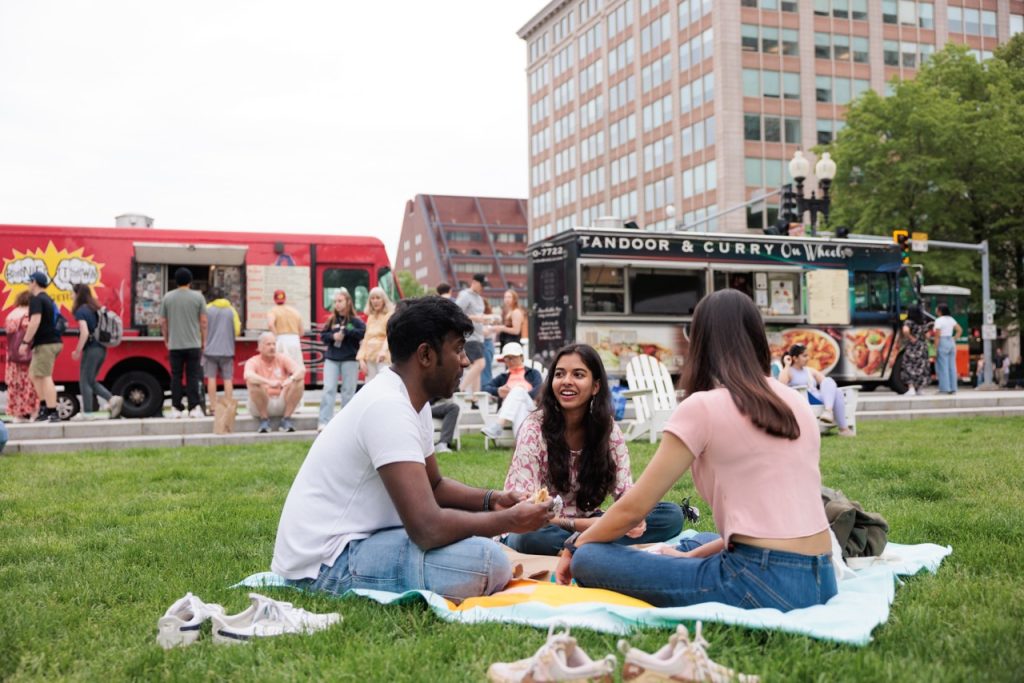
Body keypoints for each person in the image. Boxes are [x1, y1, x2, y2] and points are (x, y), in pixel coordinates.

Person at [558, 289, 838, 612]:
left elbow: (633, 509)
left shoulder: (703, 406)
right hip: (822, 578)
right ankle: (686, 556)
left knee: (590, 557)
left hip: (758, 582)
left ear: (700, 342)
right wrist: (690, 557)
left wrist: (573, 546)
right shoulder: (793, 401)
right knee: (701, 540)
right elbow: (774, 522)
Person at [271, 296, 554, 601]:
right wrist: (511, 521)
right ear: (425, 355)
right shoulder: (388, 406)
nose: (465, 361)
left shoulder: (410, 401)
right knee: (487, 562)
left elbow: (435, 486)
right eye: (458, 349)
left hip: (356, 545)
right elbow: (427, 529)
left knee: (481, 552)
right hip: (325, 565)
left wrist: (493, 500)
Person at [502, 343, 684, 556]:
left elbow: (625, 492)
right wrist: (592, 525)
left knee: (670, 515)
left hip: (590, 521)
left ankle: (582, 544)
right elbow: (527, 510)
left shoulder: (608, 429)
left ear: (595, 386)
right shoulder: (534, 428)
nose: (566, 381)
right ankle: (597, 542)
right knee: (529, 537)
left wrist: (636, 517)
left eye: (578, 374)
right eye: (559, 374)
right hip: (540, 525)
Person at [159, 267, 207, 419]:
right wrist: (203, 340)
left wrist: (166, 339)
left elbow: (163, 321)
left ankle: (176, 408)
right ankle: (193, 407)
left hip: (175, 344)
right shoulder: (198, 297)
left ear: (176, 281)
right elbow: (203, 321)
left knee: (176, 376)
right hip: (194, 344)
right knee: (193, 376)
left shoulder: (167, 297)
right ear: (190, 281)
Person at [70, 284, 123, 420]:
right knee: (91, 381)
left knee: (84, 382)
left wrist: (77, 350)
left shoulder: (81, 311)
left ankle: (88, 413)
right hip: (101, 349)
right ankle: (112, 399)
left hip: (91, 349)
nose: (71, 296)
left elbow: (85, 332)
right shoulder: (94, 308)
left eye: (72, 293)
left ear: (78, 294)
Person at [778, 344, 854, 437]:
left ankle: (833, 417)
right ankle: (839, 423)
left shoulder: (809, 371)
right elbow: (781, 385)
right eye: (804, 356)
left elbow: (828, 384)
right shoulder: (788, 371)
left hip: (818, 398)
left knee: (832, 385)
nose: (808, 358)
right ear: (795, 358)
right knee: (835, 390)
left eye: (807, 355)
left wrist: (829, 388)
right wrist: (787, 365)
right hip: (805, 399)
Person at [318, 288, 366, 431]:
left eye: (340, 301)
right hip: (332, 359)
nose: (337, 304)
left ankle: (346, 423)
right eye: (335, 302)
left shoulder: (355, 321)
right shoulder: (331, 320)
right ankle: (324, 421)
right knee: (329, 389)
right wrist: (333, 336)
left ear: (348, 302)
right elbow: (323, 336)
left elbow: (363, 333)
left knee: (348, 391)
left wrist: (347, 331)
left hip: (350, 359)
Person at [19, 272, 64, 422]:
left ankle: (52, 411)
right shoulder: (48, 299)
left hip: (46, 343)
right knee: (34, 375)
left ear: (34, 282)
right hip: (52, 341)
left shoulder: (37, 299)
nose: (28, 285)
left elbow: (35, 321)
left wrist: (25, 342)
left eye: (29, 281)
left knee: (45, 376)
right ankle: (45, 407)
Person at [480, 342, 543, 440]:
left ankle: (498, 425)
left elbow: (539, 388)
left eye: (513, 357)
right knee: (520, 406)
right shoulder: (503, 377)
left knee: (518, 390)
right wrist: (498, 391)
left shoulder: (533, 373)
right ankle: (521, 441)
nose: (510, 361)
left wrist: (521, 394)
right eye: (507, 358)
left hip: (530, 406)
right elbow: (484, 387)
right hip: (510, 409)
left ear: (521, 357)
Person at [244, 332, 305, 433]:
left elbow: (301, 371)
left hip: (282, 400)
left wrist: (291, 379)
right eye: (268, 344)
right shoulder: (253, 361)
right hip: (261, 404)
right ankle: (264, 420)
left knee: (299, 381)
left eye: (274, 344)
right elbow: (248, 375)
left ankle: (286, 419)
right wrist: (269, 382)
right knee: (253, 383)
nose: (272, 347)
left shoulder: (282, 358)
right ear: (260, 347)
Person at [4, 290, 39, 422]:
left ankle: (18, 414)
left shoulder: (11, 314)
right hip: (26, 354)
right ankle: (33, 412)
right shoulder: (28, 314)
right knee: (31, 384)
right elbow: (30, 330)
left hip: (12, 355)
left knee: (15, 385)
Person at [204, 287, 240, 413]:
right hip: (227, 350)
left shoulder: (207, 309)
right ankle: (229, 406)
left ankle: (213, 406)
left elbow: (201, 328)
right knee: (228, 379)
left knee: (211, 378)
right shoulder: (231, 310)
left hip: (210, 350)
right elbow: (237, 330)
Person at [455, 274, 489, 393]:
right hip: (469, 336)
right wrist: (475, 318)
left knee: (477, 368)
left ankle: (475, 397)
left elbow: (479, 317)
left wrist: (486, 320)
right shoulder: (465, 295)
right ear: (474, 282)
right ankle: (460, 389)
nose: (482, 288)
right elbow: (456, 313)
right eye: (481, 285)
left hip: (479, 337)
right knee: (480, 363)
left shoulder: (479, 298)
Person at [356, 286, 394, 381]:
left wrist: (383, 351)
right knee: (369, 384)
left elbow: (390, 335)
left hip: (383, 357)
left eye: (378, 298)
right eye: (372, 298)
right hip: (370, 356)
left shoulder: (389, 315)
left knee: (384, 384)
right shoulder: (371, 317)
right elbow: (366, 338)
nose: (375, 301)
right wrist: (361, 359)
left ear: (383, 300)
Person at [267, 290, 305, 370]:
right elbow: (302, 332)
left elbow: (270, 324)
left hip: (281, 339)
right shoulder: (295, 311)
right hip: (295, 340)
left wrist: (276, 336)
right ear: (285, 299)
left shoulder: (273, 310)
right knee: (296, 367)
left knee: (280, 367)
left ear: (274, 299)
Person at [899, 304, 930, 396]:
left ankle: (911, 388)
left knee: (909, 366)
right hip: (922, 347)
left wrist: (911, 337)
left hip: (913, 347)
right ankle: (920, 389)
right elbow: (927, 335)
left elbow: (905, 330)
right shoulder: (922, 323)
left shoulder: (908, 322)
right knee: (922, 367)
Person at [932, 303, 962, 394]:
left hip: (942, 342)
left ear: (940, 311)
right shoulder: (951, 319)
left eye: (937, 309)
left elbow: (937, 335)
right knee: (952, 366)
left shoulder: (938, 320)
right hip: (951, 342)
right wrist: (954, 338)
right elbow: (960, 330)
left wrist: (935, 348)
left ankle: (944, 388)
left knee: (942, 366)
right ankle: (953, 388)